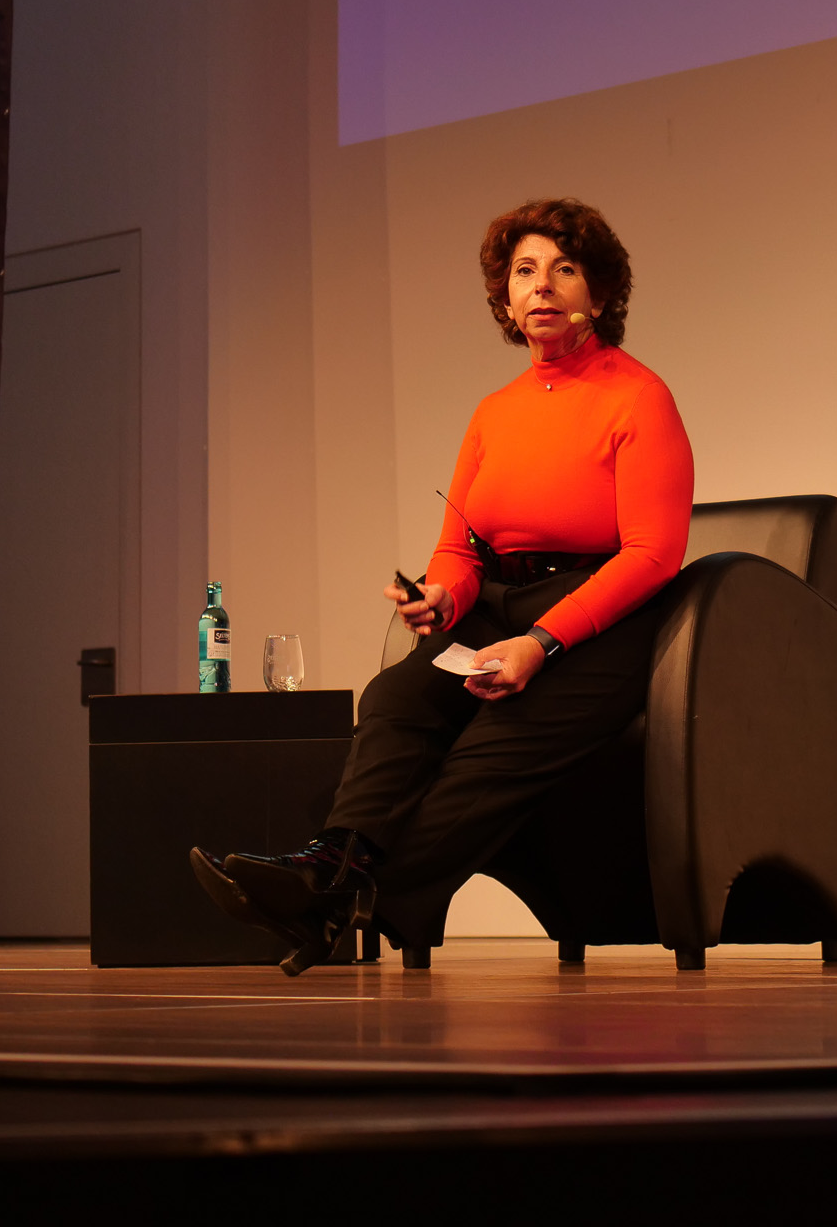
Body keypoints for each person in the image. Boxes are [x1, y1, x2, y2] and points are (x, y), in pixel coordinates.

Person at [190, 198, 695, 973]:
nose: (542, 285)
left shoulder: (638, 396)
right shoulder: (494, 413)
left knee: (490, 742)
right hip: (497, 607)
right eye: (524, 272)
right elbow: (459, 546)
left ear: (598, 296)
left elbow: (654, 554)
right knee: (394, 698)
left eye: (564, 270)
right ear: (505, 300)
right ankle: (334, 868)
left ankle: (330, 897)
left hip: (601, 622)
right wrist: (443, 598)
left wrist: (540, 642)